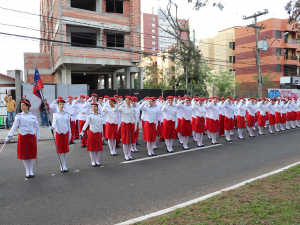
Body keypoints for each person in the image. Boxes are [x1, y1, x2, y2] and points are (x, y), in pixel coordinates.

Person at [5, 100, 40, 178]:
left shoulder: (33, 115)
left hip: (31, 136)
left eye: (23, 105)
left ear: (27, 106)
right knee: (24, 154)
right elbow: (14, 126)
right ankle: (27, 171)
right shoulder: (19, 115)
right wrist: (9, 135)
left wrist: (38, 136)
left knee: (31, 154)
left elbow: (37, 127)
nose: (21, 107)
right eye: (21, 105)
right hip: (23, 136)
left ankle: (31, 170)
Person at [49, 99, 71, 173]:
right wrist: (52, 127)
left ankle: (65, 165)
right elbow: (54, 123)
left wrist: (70, 135)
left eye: (63, 104)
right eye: (60, 104)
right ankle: (61, 165)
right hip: (59, 133)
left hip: (65, 133)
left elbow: (68, 125)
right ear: (58, 105)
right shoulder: (55, 114)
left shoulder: (67, 114)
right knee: (60, 151)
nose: (62, 105)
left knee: (65, 150)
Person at [114, 96, 137, 161]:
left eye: (129, 100)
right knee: (125, 141)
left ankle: (129, 155)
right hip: (125, 125)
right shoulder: (122, 108)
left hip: (131, 125)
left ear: (131, 101)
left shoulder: (133, 108)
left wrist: (135, 126)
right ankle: (126, 155)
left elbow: (135, 117)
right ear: (125, 101)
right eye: (126, 100)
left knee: (130, 141)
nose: (128, 101)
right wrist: (119, 104)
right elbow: (115, 110)